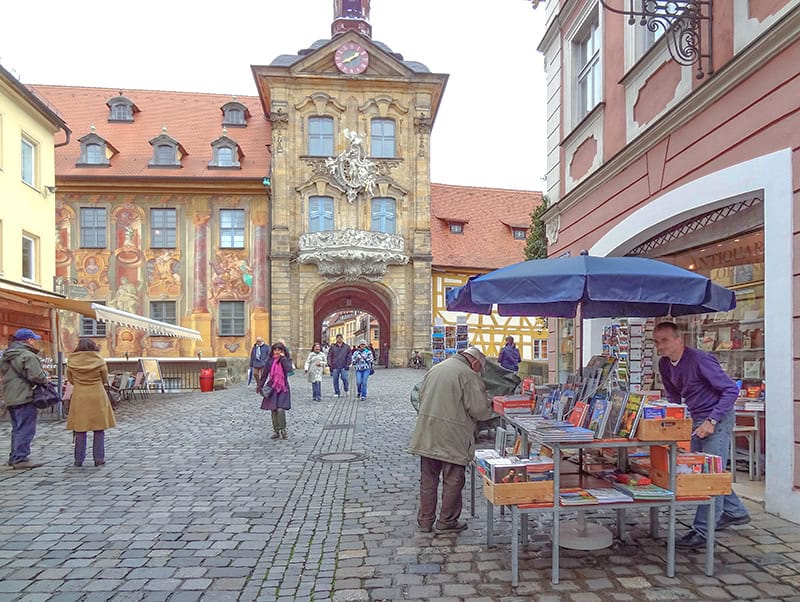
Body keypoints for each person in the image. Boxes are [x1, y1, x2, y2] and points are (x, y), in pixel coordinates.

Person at [654, 321, 751, 549]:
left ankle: (702, 532)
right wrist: (670, 421)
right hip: (696, 419)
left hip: (716, 417)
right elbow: (673, 396)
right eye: (656, 342)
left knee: (708, 478)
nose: (660, 346)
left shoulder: (700, 359)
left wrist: (712, 420)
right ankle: (736, 511)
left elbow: (730, 390)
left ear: (680, 340)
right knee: (707, 473)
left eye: (665, 340)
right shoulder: (664, 364)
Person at [408, 346, 493, 533]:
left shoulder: (437, 368)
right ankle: (446, 521)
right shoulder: (468, 375)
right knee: (453, 479)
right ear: (476, 362)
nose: (479, 372)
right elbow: (479, 410)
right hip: (452, 435)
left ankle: (425, 520)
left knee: (428, 479)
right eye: (480, 369)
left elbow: (419, 396)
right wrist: (490, 404)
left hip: (427, 431)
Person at [0, 329, 51, 469]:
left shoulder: (7, 355)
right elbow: (37, 376)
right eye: (33, 339)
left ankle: (14, 457)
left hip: (10, 396)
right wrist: (46, 379)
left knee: (17, 428)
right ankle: (21, 458)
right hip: (25, 395)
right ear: (28, 340)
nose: (35, 341)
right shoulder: (27, 356)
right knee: (26, 428)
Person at [66, 339, 116, 467]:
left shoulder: (71, 362)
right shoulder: (99, 361)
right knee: (98, 429)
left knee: (80, 429)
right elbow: (105, 378)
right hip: (97, 395)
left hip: (79, 396)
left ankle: (78, 459)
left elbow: (70, 380)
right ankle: (99, 458)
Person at [257, 342, 293, 439]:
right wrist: (260, 386)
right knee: (273, 410)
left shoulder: (286, 360)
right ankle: (276, 430)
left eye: (279, 350)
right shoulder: (270, 361)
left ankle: (283, 429)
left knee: (280, 409)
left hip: (283, 387)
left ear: (282, 351)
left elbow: (289, 369)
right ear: (273, 351)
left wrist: (283, 358)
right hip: (272, 387)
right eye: (275, 350)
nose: (277, 352)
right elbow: (264, 375)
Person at [327, 334, 351, 398]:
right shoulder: (332, 347)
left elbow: (349, 356)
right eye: (338, 338)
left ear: (342, 339)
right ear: (336, 339)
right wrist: (330, 364)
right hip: (335, 366)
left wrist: (348, 363)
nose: (339, 339)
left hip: (344, 365)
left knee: (345, 378)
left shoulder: (347, 347)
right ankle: (337, 392)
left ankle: (346, 389)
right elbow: (329, 356)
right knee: (335, 379)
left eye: (340, 338)